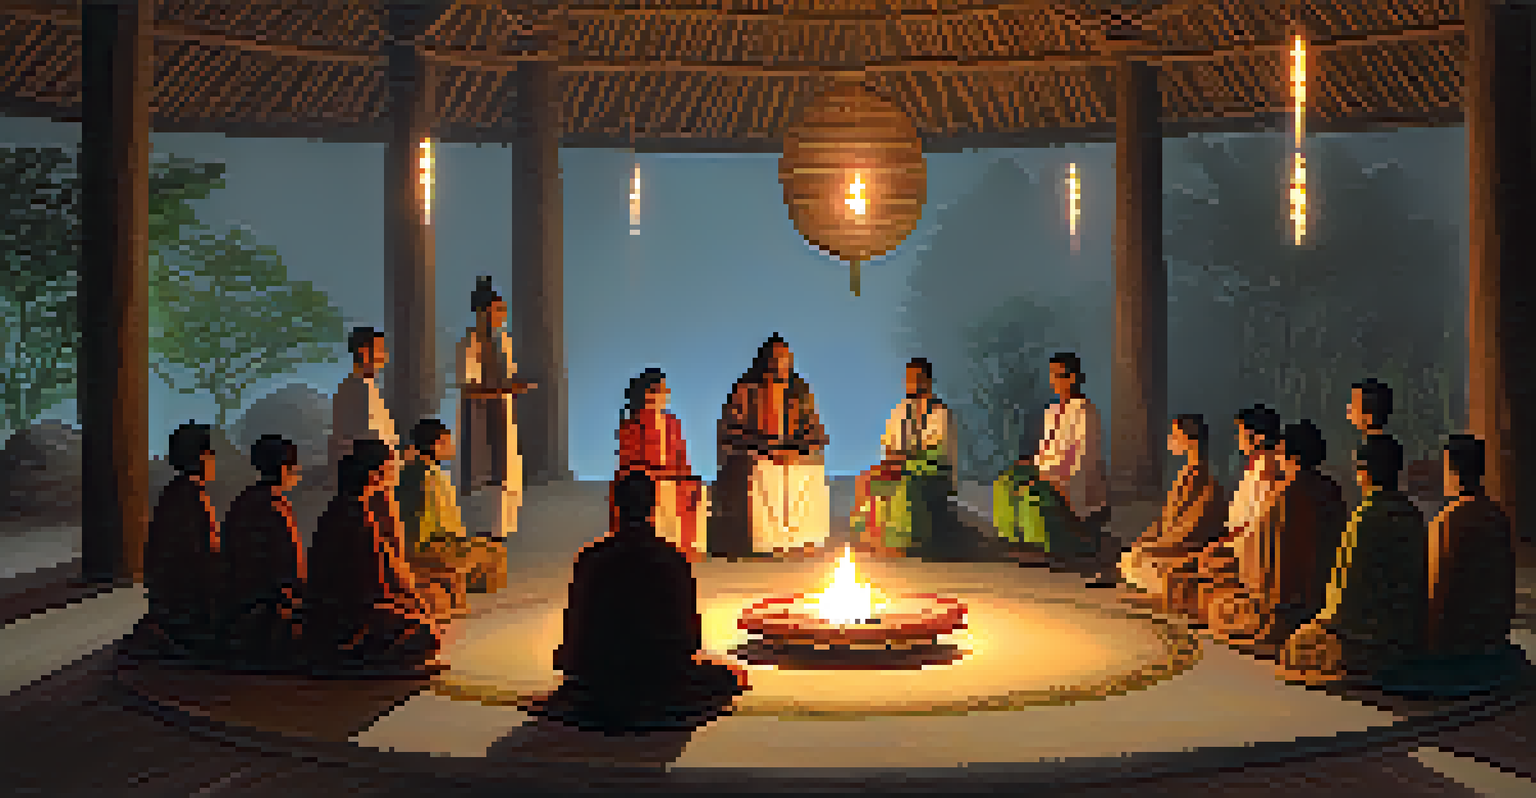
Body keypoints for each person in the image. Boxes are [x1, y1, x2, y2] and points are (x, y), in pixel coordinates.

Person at [535, 470, 748, 735]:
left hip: (599, 681)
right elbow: (690, 640)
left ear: (615, 505)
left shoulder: (591, 558)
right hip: (660, 681)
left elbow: (574, 638)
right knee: (728, 675)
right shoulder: (672, 559)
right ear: (653, 505)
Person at [1279, 434, 1428, 687]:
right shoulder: (1411, 513)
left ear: (1364, 472)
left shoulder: (1366, 517)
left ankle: (1358, 666)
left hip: (1368, 635)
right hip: (1407, 629)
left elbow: (1349, 590)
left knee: (1297, 647)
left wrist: (1321, 621)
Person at [306, 439, 444, 677]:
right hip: (347, 619)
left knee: (426, 607)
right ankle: (357, 657)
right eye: (389, 468)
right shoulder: (356, 516)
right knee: (426, 633)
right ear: (374, 474)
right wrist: (404, 602)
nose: (393, 473)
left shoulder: (348, 509)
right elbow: (369, 586)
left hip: (339, 609)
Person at [1205, 420, 1348, 646]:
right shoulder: (1331, 490)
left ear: (1292, 456)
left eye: (1280, 452)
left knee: (1216, 605)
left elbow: (1266, 558)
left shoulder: (1284, 495)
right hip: (1321, 595)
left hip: (1284, 603)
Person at [710, 334, 832, 558]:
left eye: (785, 359)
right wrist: (766, 447)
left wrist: (796, 449)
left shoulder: (799, 391)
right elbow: (731, 430)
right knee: (764, 472)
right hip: (755, 454)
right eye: (775, 359)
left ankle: (803, 538)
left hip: (792, 455)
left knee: (810, 471)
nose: (780, 364)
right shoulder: (746, 390)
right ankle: (767, 540)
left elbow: (815, 430)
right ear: (764, 361)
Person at [1164, 405, 1284, 620]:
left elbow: (1258, 522)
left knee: (1185, 575)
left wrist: (1222, 545)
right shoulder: (1256, 466)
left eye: (1241, 434)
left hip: (1248, 549)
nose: (1237, 439)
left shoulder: (1267, 470)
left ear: (1257, 437)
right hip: (1235, 543)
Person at [1422, 434, 1518, 683]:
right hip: (1491, 639)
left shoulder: (1449, 520)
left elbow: (1436, 593)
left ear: (1452, 470)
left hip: (1454, 645)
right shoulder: (1497, 516)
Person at [851, 358, 959, 558]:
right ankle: (868, 537)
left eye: (916, 378)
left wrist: (902, 459)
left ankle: (899, 541)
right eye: (908, 379)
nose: (911, 383)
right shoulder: (900, 411)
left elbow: (935, 450)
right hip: (903, 464)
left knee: (902, 483)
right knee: (865, 479)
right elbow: (888, 443)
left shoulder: (939, 412)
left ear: (927, 381)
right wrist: (892, 460)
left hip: (933, 470)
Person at [398, 418, 508, 613]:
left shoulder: (406, 472)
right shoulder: (435, 477)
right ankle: (459, 601)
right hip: (428, 547)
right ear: (436, 445)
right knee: (494, 550)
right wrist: (478, 541)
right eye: (448, 442)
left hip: (405, 544)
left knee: (482, 547)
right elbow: (448, 526)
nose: (452, 447)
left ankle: (452, 595)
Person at [219, 435, 307, 672]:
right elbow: (289, 569)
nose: (298, 472)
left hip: (238, 603)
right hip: (266, 608)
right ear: (284, 468)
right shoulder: (275, 507)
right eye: (294, 466)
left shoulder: (243, 501)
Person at [456, 277, 532, 541]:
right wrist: (505, 390)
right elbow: (468, 387)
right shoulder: (471, 343)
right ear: (484, 311)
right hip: (479, 419)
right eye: (497, 311)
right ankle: (482, 532)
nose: (501, 316)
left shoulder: (503, 342)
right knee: (484, 476)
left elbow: (505, 379)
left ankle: (500, 532)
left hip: (502, 416)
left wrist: (512, 387)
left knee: (505, 477)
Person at [1118, 415, 1228, 597]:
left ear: (1189, 440)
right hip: (1171, 543)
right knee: (1129, 559)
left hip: (1187, 549)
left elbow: (1191, 530)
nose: (1169, 441)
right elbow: (1166, 520)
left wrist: (1155, 547)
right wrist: (1146, 541)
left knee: (1136, 563)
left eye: (1174, 436)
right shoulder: (1187, 474)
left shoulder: (1203, 479)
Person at [140, 422, 222, 660]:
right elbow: (201, 558)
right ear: (202, 457)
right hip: (186, 605)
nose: (214, 460)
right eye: (211, 454)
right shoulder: (193, 497)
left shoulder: (173, 493)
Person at [614, 369, 708, 560]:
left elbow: (681, 455)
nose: (665, 395)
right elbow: (629, 458)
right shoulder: (632, 423)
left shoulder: (672, 422)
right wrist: (656, 473)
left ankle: (685, 545)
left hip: (671, 476)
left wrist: (684, 474)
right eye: (660, 390)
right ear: (648, 394)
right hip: (644, 478)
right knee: (651, 489)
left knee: (695, 488)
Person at [328, 327, 399, 488]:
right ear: (365, 352)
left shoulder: (364, 386)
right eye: (381, 350)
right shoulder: (358, 388)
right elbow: (368, 437)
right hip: (369, 477)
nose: (385, 356)